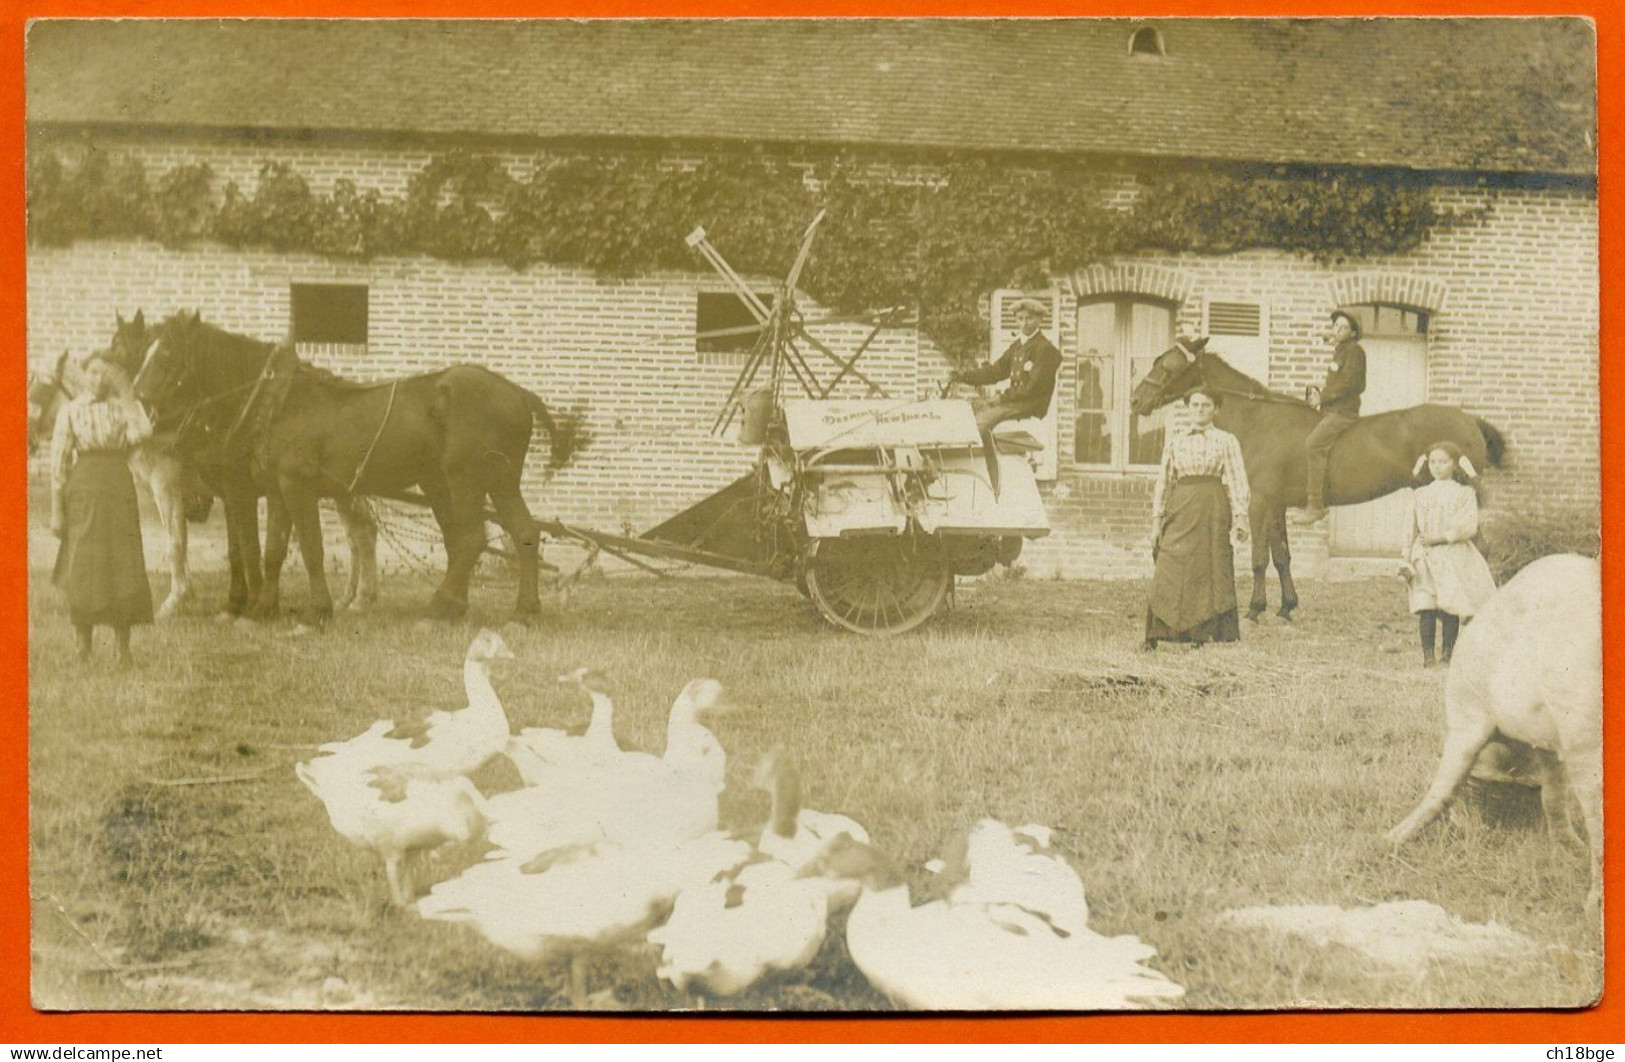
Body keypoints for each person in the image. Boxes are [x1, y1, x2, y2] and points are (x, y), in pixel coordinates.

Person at [50, 351, 155, 666]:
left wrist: (127, 397)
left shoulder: (122, 409)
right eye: (93, 373)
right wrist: (57, 511)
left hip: (118, 486)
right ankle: (84, 643)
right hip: (83, 486)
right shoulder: (71, 411)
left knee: (124, 562)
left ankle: (123, 647)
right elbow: (59, 464)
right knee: (84, 562)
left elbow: (144, 433)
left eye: (105, 374)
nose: (98, 380)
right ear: (84, 375)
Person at [1144, 386, 1250, 650]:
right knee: (1170, 562)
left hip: (1213, 507)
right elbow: (1164, 483)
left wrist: (1241, 517)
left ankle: (1202, 634)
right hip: (1181, 506)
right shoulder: (1175, 441)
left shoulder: (1227, 441)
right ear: (1188, 408)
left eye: (1206, 405)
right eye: (1195, 405)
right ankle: (1156, 634)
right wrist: (1156, 522)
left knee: (1208, 566)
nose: (1200, 410)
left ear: (1216, 409)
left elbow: (1238, 481)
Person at [1398, 441, 1497, 667]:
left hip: (1453, 555)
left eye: (1443, 461)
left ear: (1455, 465)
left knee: (1451, 605)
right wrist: (1406, 555)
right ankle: (1428, 658)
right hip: (1424, 556)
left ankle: (1447, 657)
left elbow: (1469, 526)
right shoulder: (1420, 494)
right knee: (1426, 605)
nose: (1437, 466)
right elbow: (1409, 527)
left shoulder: (1464, 493)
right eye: (1433, 461)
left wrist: (1440, 537)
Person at [1292, 309, 1367, 525]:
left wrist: (1322, 398)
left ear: (1353, 333)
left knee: (1314, 445)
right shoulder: (1341, 350)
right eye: (1335, 326)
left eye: (1343, 327)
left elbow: (1351, 384)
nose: (1337, 330)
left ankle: (1315, 505)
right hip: (1331, 410)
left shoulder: (1354, 351)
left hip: (1343, 413)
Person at [949, 298, 1062, 434]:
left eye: (1029, 318)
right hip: (1014, 401)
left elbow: (1032, 388)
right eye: (1020, 319)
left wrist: (1000, 398)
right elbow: (996, 372)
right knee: (969, 412)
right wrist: (963, 376)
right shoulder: (1017, 347)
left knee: (980, 423)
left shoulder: (1044, 349)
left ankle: (988, 456)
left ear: (1040, 319)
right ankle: (983, 455)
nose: (1024, 323)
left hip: (1030, 405)